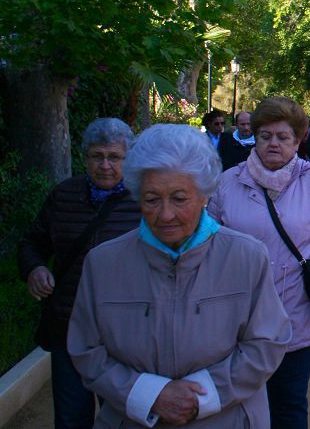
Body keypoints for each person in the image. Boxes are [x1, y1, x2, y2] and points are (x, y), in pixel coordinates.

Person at [67, 124, 292, 428]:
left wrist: (202, 396)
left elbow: (267, 342)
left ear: (203, 196)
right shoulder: (103, 263)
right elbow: (86, 350)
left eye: (179, 198)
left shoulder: (246, 256)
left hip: (228, 419)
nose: (165, 214)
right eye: (151, 199)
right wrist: (150, 396)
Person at [209, 97, 310, 426]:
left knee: (289, 405)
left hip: (297, 312)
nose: (273, 144)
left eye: (283, 137)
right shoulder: (228, 183)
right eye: (265, 136)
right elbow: (208, 238)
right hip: (240, 316)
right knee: (241, 402)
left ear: (297, 140)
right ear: (255, 139)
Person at [18, 118, 140, 429]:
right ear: (84, 158)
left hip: (123, 334)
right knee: (71, 418)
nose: (105, 165)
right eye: (96, 156)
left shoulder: (144, 202)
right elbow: (33, 241)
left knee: (123, 416)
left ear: (129, 158)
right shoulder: (63, 196)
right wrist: (35, 267)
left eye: (114, 157)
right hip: (68, 327)